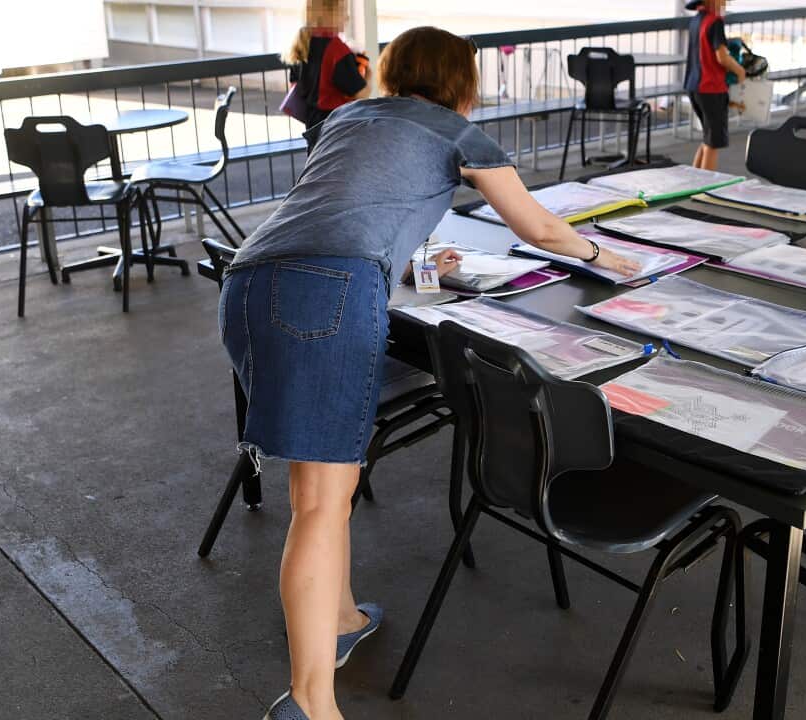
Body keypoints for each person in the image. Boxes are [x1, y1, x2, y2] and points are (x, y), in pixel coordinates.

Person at [220, 26, 641, 720]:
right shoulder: (456, 133)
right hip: (325, 292)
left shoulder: (349, 116)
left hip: (247, 283)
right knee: (321, 503)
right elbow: (538, 228)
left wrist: (417, 258)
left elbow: (351, 203)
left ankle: (345, 618)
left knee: (319, 489)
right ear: (463, 86)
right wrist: (601, 254)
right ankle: (310, 702)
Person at [282, 0, 371, 150]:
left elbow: (294, 84)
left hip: (312, 122)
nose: (347, 17)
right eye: (342, 11)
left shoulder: (302, 44)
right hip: (337, 122)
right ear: (326, 13)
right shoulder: (337, 49)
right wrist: (367, 75)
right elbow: (361, 92)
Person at [683, 0, 747, 171]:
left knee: (707, 138)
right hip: (711, 87)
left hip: (693, 85)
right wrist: (740, 71)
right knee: (713, 143)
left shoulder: (695, 21)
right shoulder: (715, 22)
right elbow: (722, 57)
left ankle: (692, 180)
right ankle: (704, 189)